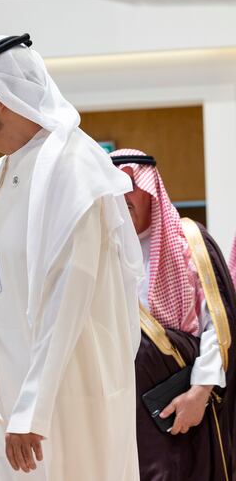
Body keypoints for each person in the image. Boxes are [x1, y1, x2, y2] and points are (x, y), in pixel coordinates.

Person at [0, 35, 143, 480]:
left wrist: (32, 410)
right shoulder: (0, 170)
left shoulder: (74, 165)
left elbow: (69, 295)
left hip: (60, 396)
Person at [110, 148, 236, 480]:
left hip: (180, 408)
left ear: (150, 189)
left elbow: (217, 326)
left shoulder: (188, 242)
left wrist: (200, 392)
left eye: (128, 186)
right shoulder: (99, 252)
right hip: (117, 409)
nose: (119, 197)